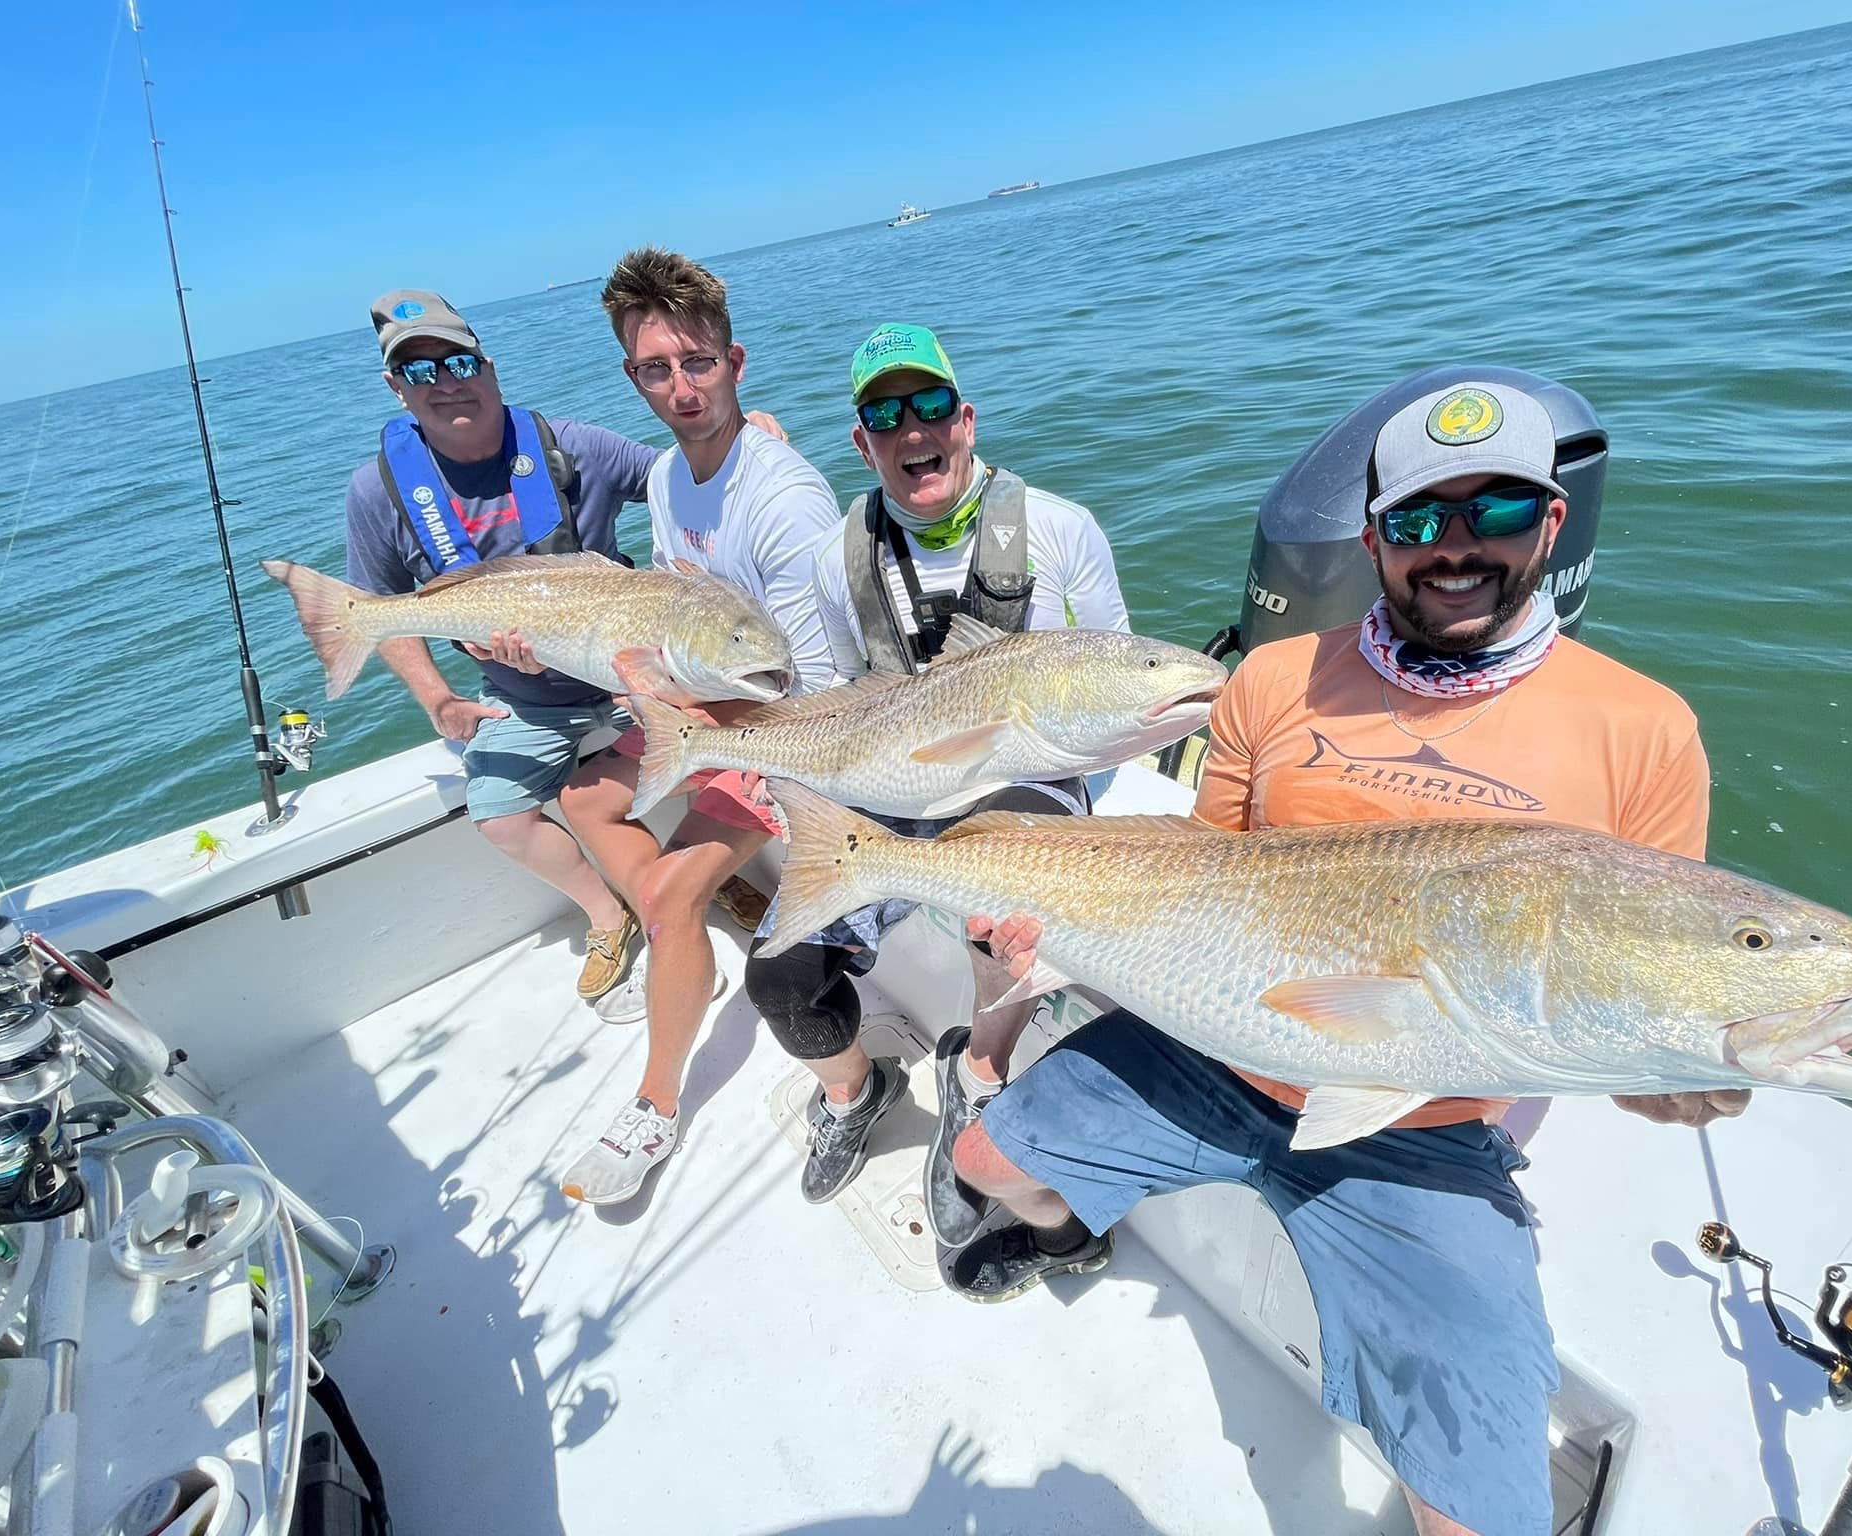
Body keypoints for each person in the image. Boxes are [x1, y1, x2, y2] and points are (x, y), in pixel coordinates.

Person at [946, 379, 1750, 1536]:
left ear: (1553, 524)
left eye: (1498, 513)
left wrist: (1660, 1068)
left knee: (1480, 1514)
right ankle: (1078, 1231)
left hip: (1424, 1128)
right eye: (1418, 523)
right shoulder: (1269, 681)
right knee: (981, 1162)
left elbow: (1618, 979)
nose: (1455, 549)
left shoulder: (1644, 731)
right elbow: (1196, 882)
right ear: (1371, 539)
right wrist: (1035, 940)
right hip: (1213, 1052)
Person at [744, 323, 1131, 1233]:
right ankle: (853, 1091)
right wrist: (791, 770)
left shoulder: (1060, 531)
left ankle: (980, 1067)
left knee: (998, 908)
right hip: (887, 780)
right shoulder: (836, 560)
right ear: (862, 440)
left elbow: (1117, 691)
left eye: (928, 407)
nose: (911, 430)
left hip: (1030, 774)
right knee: (780, 973)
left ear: (964, 418)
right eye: (886, 413)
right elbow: (838, 691)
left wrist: (1055, 790)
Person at [554, 248, 840, 1207]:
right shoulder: (671, 482)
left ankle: (655, 1103)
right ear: (633, 378)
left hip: (796, 735)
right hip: (703, 710)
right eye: (656, 369)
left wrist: (681, 714)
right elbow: (677, 620)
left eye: (698, 363)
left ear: (736, 362)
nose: (681, 388)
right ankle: (684, 938)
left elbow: (817, 684)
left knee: (672, 896)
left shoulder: (787, 500)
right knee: (581, 797)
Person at [344, 289, 659, 1005]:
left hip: (631, 676)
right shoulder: (378, 492)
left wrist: (745, 439)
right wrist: (439, 701)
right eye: (419, 372)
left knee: (716, 744)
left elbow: (683, 480)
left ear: (489, 366)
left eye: (457, 361)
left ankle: (690, 871)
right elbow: (380, 610)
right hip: (521, 695)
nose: (445, 382)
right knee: (500, 816)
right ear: (396, 389)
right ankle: (610, 916)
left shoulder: (577, 446)